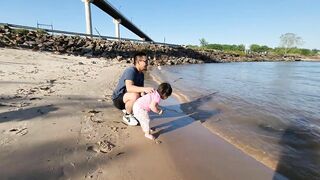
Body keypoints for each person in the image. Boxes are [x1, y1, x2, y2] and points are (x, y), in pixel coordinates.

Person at [112, 52, 155, 125]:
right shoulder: (131, 71)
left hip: (127, 97)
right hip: (118, 98)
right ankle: (127, 116)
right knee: (135, 95)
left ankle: (129, 109)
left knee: (144, 97)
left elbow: (140, 90)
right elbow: (129, 88)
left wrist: (148, 96)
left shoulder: (141, 74)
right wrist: (145, 89)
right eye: (145, 61)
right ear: (138, 62)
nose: (147, 63)